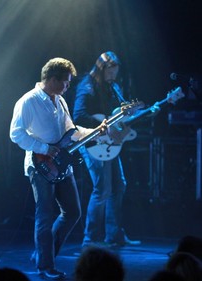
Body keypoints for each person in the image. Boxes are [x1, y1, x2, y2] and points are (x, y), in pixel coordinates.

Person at [10, 57, 107, 280]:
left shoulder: (60, 101)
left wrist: (95, 131)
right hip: (39, 166)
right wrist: (44, 147)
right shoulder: (28, 101)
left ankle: (44, 254)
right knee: (44, 215)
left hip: (62, 164)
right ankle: (45, 265)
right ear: (53, 79)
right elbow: (16, 134)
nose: (68, 87)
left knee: (73, 211)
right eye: (66, 82)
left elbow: (70, 131)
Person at [72, 51, 141, 248]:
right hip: (91, 141)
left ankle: (114, 235)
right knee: (102, 188)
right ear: (102, 69)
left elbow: (117, 117)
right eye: (110, 73)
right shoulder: (87, 86)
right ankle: (90, 237)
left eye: (115, 73)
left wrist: (130, 115)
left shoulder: (114, 88)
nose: (113, 77)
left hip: (109, 143)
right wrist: (100, 121)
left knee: (119, 186)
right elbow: (78, 116)